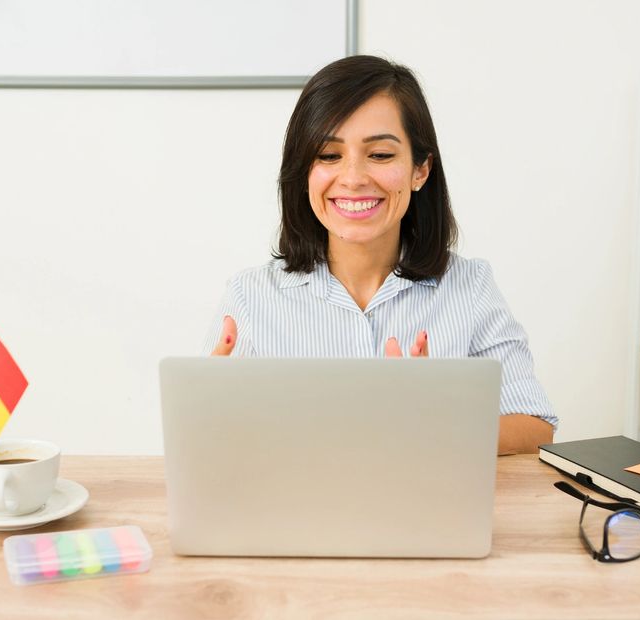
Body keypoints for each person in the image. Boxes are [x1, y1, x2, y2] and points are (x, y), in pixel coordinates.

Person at [207, 55, 556, 455]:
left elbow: (536, 427)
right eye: (328, 155)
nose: (353, 178)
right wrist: (207, 414)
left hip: (425, 512)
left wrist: (438, 422)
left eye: (380, 155)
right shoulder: (249, 298)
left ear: (420, 169)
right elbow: (208, 443)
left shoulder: (469, 287)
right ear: (304, 171)